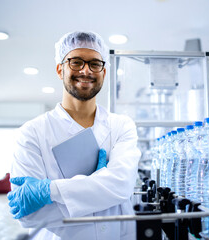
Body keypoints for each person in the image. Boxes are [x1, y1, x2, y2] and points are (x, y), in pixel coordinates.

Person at [7, 31, 141, 240]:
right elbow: (28, 214)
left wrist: (50, 191)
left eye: (95, 64)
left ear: (104, 73)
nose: (86, 70)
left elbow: (121, 184)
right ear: (60, 70)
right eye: (76, 62)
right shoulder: (32, 133)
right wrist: (101, 191)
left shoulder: (122, 126)